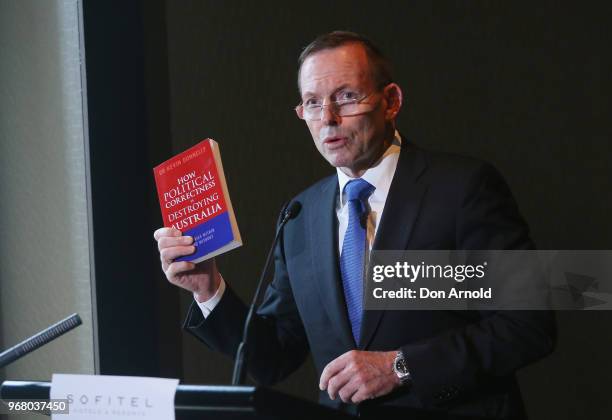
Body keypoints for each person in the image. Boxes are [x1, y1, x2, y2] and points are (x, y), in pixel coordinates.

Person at [154, 31, 555, 419]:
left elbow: (528, 324)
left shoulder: (462, 188)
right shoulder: (300, 215)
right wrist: (208, 290)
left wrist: (400, 366)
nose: (327, 118)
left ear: (391, 101)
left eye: (345, 97)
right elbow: (273, 356)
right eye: (312, 102)